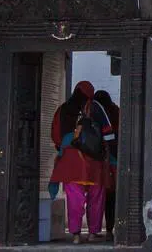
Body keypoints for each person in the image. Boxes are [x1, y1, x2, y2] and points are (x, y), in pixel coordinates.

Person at [49, 81, 114, 243]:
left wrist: (66, 146)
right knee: (96, 198)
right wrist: (108, 153)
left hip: (71, 161)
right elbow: (108, 133)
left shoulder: (63, 109)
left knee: (74, 199)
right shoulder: (95, 107)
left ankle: (76, 234)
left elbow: (56, 136)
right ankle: (93, 233)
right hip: (94, 161)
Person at [92, 89, 121, 237]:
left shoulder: (95, 113)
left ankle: (100, 229)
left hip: (102, 160)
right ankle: (111, 228)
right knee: (113, 197)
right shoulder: (117, 112)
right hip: (116, 159)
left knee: (98, 196)